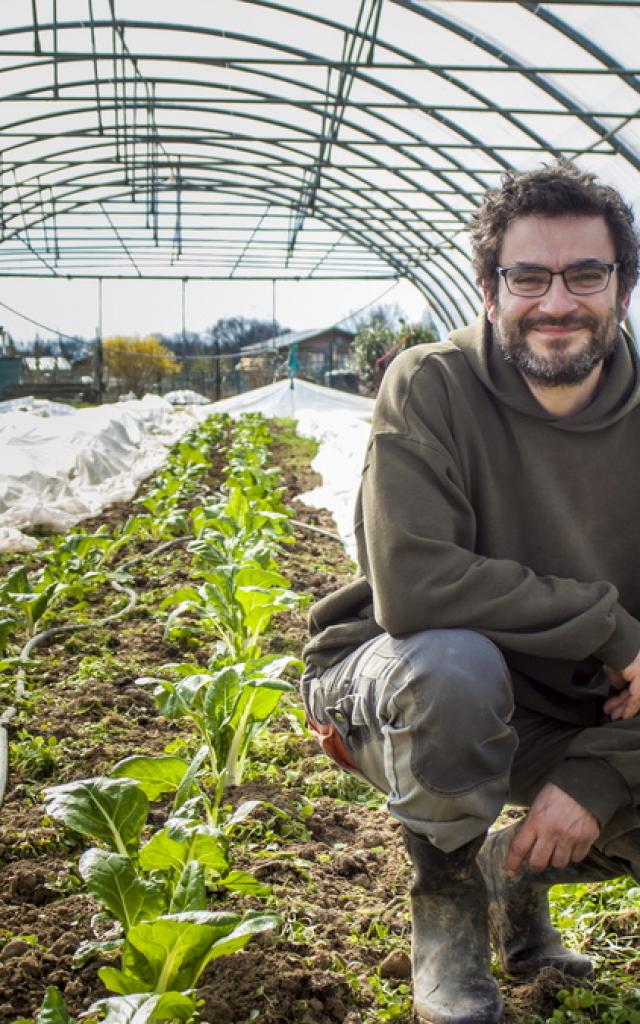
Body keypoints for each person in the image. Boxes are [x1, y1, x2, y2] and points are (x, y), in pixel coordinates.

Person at [300, 163, 640, 1024]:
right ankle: (449, 919)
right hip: (406, 678)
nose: (555, 301)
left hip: (579, 709)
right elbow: (413, 587)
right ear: (489, 289)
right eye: (527, 276)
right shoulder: (432, 384)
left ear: (623, 290)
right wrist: (611, 627)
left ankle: (513, 870)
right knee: (457, 667)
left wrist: (601, 778)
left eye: (586, 275)